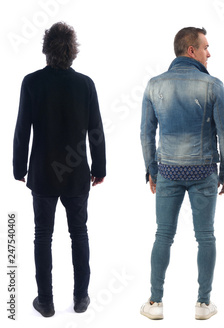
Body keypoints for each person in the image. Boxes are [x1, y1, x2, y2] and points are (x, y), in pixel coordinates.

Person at [140, 27, 224, 321]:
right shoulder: (213, 85)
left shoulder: (154, 85)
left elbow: (146, 134)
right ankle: (203, 305)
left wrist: (151, 171)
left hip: (167, 170)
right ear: (191, 50)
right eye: (206, 47)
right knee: (205, 236)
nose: (210, 53)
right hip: (204, 170)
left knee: (163, 235)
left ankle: (155, 303)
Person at [13, 22, 106, 317]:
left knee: (43, 236)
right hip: (77, 174)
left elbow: (22, 130)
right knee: (79, 234)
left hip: (42, 174)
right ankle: (80, 299)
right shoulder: (85, 84)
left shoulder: (31, 82)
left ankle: (46, 302)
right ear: (72, 51)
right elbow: (96, 131)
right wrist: (100, 167)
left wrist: (19, 167)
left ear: (46, 49)